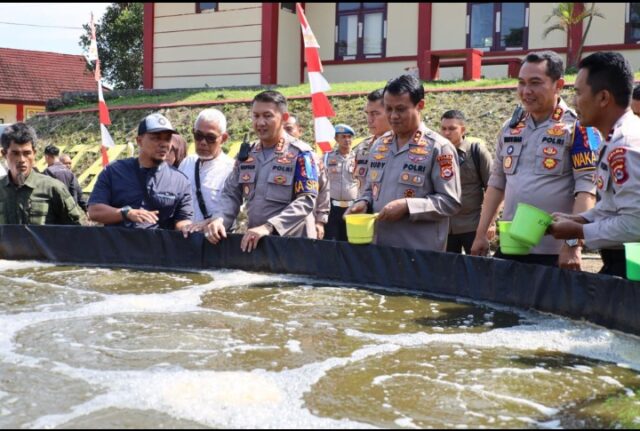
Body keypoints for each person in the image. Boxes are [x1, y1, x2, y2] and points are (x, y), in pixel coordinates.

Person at [470, 51, 600, 270]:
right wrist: (481, 234)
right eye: (521, 83)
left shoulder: (581, 128)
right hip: (512, 246)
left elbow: (587, 191)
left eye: (535, 83)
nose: (526, 91)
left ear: (558, 85)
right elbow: (496, 184)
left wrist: (572, 246)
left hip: (553, 252)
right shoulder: (511, 127)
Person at [549, 52, 640, 278]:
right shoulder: (611, 139)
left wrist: (580, 231)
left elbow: (635, 224)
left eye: (579, 93)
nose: (575, 101)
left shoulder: (625, 146)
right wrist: (581, 218)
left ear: (603, 98)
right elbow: (615, 206)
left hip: (628, 262)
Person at [345, 74, 461, 251]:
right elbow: (370, 189)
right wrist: (363, 203)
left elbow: (450, 202)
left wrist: (408, 206)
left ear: (420, 105)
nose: (393, 116)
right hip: (379, 249)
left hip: (419, 254)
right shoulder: (379, 145)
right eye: (389, 109)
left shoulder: (439, 148)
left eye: (400, 109)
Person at [195, 90, 319, 252]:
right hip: (257, 243)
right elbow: (231, 193)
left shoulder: (301, 153)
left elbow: (307, 200)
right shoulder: (247, 153)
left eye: (267, 116)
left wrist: (269, 227)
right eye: (256, 116)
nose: (260, 122)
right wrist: (220, 219)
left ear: (284, 118)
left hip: (293, 244)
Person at [87, 113, 193, 231]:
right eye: (156, 138)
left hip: (158, 248)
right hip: (119, 248)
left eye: (167, 138)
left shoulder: (180, 181)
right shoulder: (114, 172)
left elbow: (183, 221)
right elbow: (94, 211)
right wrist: (126, 213)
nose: (163, 144)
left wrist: (190, 229)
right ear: (139, 141)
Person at [0, 123, 82, 225]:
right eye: (15, 153)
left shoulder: (53, 189)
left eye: (27, 153)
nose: (21, 160)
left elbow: (75, 230)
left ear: (34, 153)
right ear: (4, 154)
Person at [440, 110, 493, 254]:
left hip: (473, 226)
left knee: (479, 270)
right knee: (448, 273)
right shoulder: (436, 153)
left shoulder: (477, 152)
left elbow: (494, 189)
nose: (446, 133)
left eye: (452, 129)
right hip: (444, 227)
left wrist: (490, 224)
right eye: (443, 129)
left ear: (463, 129)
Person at [178, 109, 235, 222]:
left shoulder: (231, 170)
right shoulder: (186, 163)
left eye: (210, 138)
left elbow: (231, 211)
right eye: (198, 135)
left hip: (214, 237)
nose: (203, 142)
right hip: (183, 236)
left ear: (223, 138)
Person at [284, 114, 330, 240]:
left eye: (288, 129)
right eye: (281, 129)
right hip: (274, 225)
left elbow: (323, 188)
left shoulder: (309, 156)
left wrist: (320, 221)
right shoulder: (271, 155)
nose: (284, 134)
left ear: (299, 131)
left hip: (303, 224)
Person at [323, 123, 358, 241]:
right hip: (332, 208)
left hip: (353, 208)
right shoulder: (326, 157)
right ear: (336, 139)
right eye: (343, 137)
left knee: (352, 242)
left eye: (349, 136)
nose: (347, 140)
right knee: (331, 241)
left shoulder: (359, 158)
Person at [353, 89, 391, 197]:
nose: (369, 120)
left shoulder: (402, 146)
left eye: (375, 114)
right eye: (367, 114)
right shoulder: (361, 148)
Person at [43, 144, 87, 212]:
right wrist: (85, 209)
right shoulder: (70, 173)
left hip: (54, 213)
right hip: (71, 211)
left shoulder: (48, 172)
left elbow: (44, 193)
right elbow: (77, 191)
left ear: (46, 157)